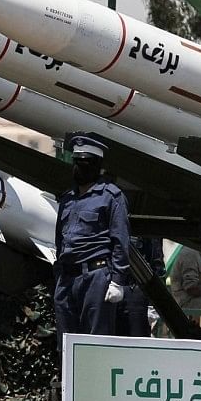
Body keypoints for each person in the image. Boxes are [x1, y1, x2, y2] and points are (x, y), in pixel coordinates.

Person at [52, 135, 132, 339]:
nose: (78, 168)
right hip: (67, 278)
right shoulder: (68, 199)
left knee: (95, 340)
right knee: (66, 343)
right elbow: (60, 239)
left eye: (84, 163)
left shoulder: (111, 197)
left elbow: (120, 240)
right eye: (76, 162)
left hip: (96, 277)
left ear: (96, 166)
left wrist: (117, 281)